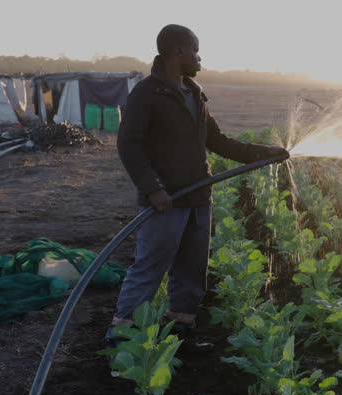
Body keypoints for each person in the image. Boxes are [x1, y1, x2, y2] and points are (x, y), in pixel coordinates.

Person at [108, 24, 288, 343]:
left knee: (192, 271)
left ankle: (180, 329)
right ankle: (122, 338)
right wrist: (153, 189)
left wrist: (265, 153)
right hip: (165, 201)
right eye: (195, 49)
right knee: (150, 267)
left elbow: (217, 140)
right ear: (178, 52)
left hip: (197, 198)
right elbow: (129, 145)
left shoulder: (194, 93)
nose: (200, 57)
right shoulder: (147, 93)